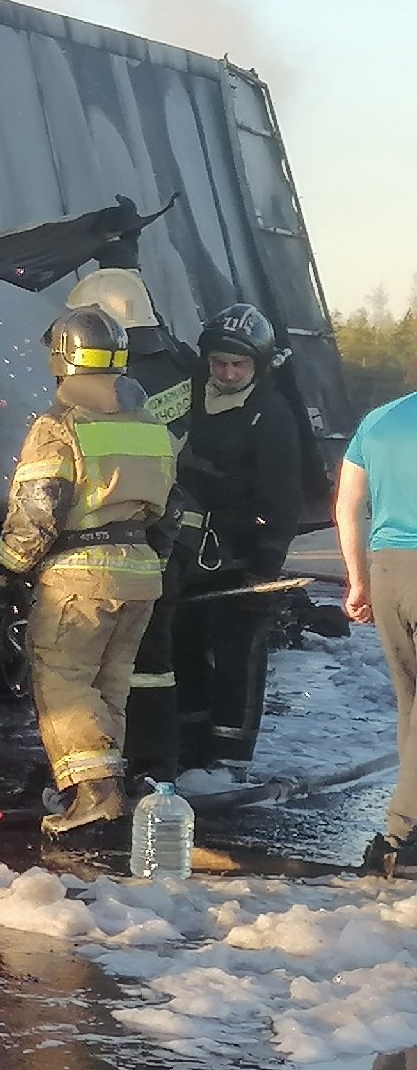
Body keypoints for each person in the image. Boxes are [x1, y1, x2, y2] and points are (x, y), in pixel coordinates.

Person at [0, 307, 176, 840]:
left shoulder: (59, 426)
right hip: (139, 573)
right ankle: (105, 787)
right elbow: (170, 511)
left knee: (62, 681)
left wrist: (0, 574)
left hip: (79, 575)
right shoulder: (151, 424)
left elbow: (38, 514)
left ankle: (96, 795)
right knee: (109, 686)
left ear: (63, 357)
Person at [66, 267, 202, 784]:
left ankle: (115, 766)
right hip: (171, 528)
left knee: (106, 658)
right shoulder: (179, 363)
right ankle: (156, 763)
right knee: (153, 651)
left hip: (123, 529)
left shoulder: (120, 384)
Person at [172, 304, 304, 778]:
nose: (228, 373)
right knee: (181, 644)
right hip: (185, 553)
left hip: (241, 554)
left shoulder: (271, 416)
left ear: (258, 366)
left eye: (239, 365)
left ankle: (228, 757)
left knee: (237, 654)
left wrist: (265, 564)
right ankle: (187, 747)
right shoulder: (185, 398)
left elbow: (284, 497)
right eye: (220, 363)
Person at [339, 387, 417, 874]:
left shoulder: (379, 418)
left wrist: (358, 580)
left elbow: (347, 506)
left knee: (409, 701)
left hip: (389, 570)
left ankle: (408, 830)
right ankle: (401, 834)